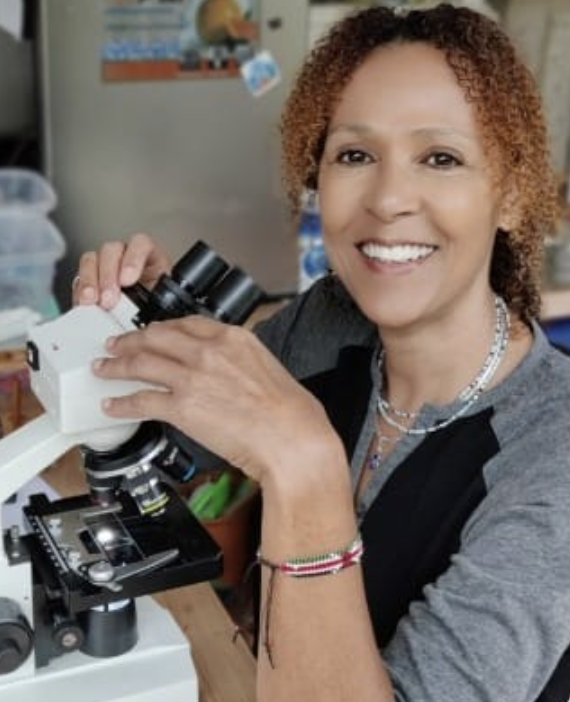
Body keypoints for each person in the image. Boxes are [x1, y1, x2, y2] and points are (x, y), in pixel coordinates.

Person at [73, 4, 570, 701]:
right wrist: (135, 337)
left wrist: (302, 462)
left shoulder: (553, 459)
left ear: (513, 195)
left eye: (441, 157)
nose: (390, 198)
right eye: (355, 155)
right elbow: (160, 451)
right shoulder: (329, 322)